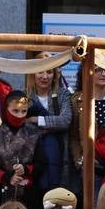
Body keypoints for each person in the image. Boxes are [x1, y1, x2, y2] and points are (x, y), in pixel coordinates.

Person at [0, 90, 46, 209]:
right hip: (0, 194)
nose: (19, 115)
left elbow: (42, 163)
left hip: (28, 194)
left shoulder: (34, 133)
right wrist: (8, 177)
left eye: (24, 111)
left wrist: (26, 169)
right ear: (6, 109)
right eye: (15, 111)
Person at [28, 55, 73, 191]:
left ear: (55, 75)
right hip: (33, 159)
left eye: (49, 72)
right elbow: (21, 124)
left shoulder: (63, 94)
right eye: (40, 71)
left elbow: (65, 120)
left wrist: (36, 120)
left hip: (60, 156)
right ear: (33, 73)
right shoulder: (25, 96)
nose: (45, 76)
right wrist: (53, 125)